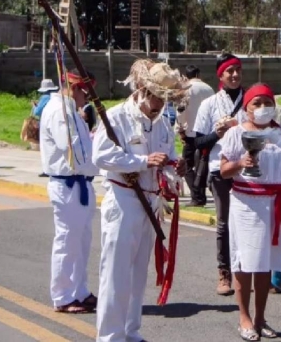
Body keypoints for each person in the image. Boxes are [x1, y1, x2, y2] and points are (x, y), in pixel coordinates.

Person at [93, 59, 188, 342]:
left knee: (137, 275)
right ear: (142, 89)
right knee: (115, 274)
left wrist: (174, 169)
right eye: (157, 96)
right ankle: (109, 337)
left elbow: (167, 160)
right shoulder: (116, 117)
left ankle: (131, 332)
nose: (160, 104)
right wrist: (142, 161)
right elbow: (101, 156)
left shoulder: (162, 124)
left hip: (151, 204)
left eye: (165, 99)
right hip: (123, 200)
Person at [218, 83, 281, 341]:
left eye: (267, 102)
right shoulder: (235, 134)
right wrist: (241, 162)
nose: (263, 108)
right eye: (257, 103)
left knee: (265, 264)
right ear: (247, 108)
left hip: (274, 204)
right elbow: (223, 170)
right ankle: (244, 318)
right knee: (244, 262)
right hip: (246, 204)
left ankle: (260, 317)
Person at [39, 69, 99, 314]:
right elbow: (72, 150)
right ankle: (63, 296)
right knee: (67, 241)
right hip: (67, 184)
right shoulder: (59, 112)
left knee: (82, 242)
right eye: (86, 92)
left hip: (81, 183)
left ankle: (79, 291)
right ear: (75, 89)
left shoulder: (72, 112)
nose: (88, 98)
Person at [194, 53, 247, 296]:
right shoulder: (209, 104)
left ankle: (250, 270)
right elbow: (197, 142)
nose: (235, 75)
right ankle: (224, 272)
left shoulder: (252, 101)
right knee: (224, 222)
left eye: (238, 69)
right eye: (229, 71)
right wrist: (218, 132)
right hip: (220, 170)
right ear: (221, 75)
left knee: (249, 222)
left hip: (250, 171)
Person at [177, 65, 215, 207]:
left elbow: (181, 110)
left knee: (187, 166)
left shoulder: (185, 89)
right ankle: (200, 195)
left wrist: (180, 129)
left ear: (185, 76)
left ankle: (197, 196)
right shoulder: (209, 89)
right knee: (202, 165)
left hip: (191, 132)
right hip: (207, 134)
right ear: (198, 74)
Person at [34, 79, 60, 177]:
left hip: (45, 123)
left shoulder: (44, 97)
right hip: (54, 123)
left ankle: (47, 169)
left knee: (46, 147)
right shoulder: (55, 97)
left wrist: (34, 106)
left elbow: (37, 112)